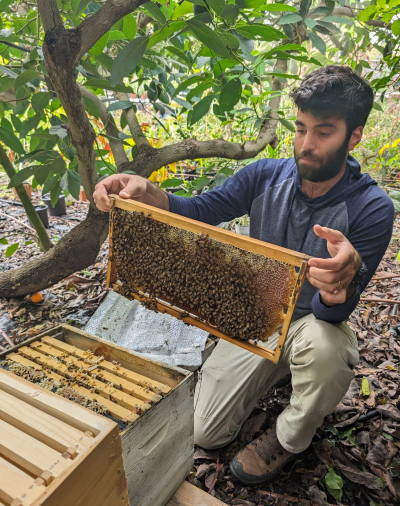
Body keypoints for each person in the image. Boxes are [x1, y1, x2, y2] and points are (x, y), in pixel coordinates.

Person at [93, 66, 394, 486]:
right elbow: (200, 211)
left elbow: (335, 314)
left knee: (327, 352)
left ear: (354, 136)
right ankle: (278, 369)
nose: (306, 144)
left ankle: (289, 439)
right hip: (259, 318)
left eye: (323, 132)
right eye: (301, 128)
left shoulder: (373, 208)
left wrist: (339, 285)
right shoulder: (264, 175)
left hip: (312, 324)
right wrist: (150, 193)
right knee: (205, 433)